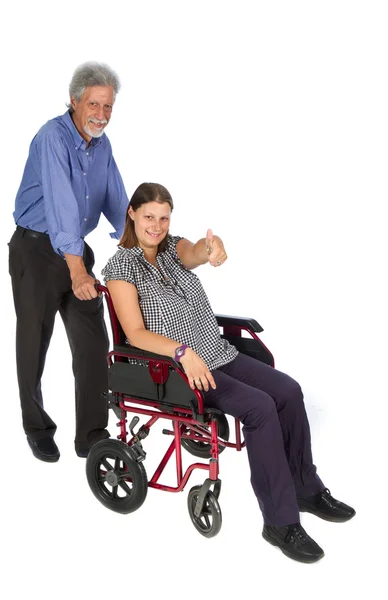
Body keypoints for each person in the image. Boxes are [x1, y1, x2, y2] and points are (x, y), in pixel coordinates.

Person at [101, 182, 355, 563]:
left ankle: (306, 488)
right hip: (178, 369)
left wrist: (212, 246)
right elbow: (134, 333)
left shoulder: (171, 248)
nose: (157, 225)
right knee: (260, 408)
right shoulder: (121, 266)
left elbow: (195, 252)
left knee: (288, 391)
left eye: (164, 217)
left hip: (218, 352)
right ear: (132, 214)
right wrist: (181, 352)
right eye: (149, 216)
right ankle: (279, 522)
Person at [9, 61, 129, 462]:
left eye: (108, 107)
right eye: (94, 104)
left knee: (93, 340)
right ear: (75, 101)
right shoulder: (52, 138)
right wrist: (77, 270)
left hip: (74, 248)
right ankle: (36, 426)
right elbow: (61, 208)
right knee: (33, 340)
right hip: (37, 250)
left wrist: (149, 243)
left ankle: (92, 435)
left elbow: (117, 202)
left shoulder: (102, 146)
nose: (101, 115)